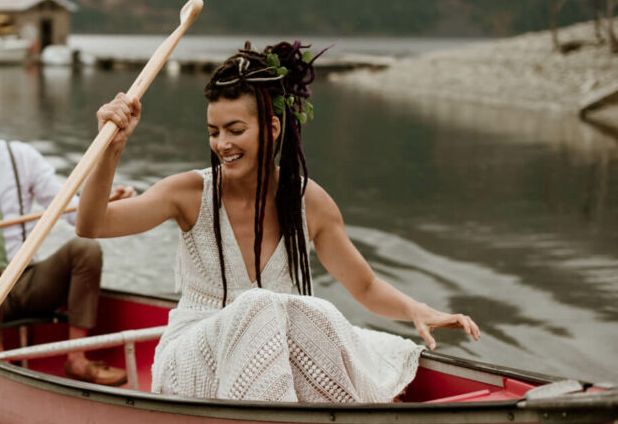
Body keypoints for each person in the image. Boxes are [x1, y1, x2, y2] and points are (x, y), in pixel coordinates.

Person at [76, 41, 481, 402]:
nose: (222, 144)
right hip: (195, 357)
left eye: (235, 130)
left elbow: (365, 285)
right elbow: (92, 224)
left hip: (274, 360)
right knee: (260, 304)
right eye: (213, 131)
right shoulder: (188, 193)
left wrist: (416, 311)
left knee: (317, 313)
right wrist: (112, 149)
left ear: (271, 129)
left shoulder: (309, 201)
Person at [0, 79, 133, 386]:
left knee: (85, 249)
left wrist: (106, 201)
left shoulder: (23, 157)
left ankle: (76, 359)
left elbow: (70, 210)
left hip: (26, 281)